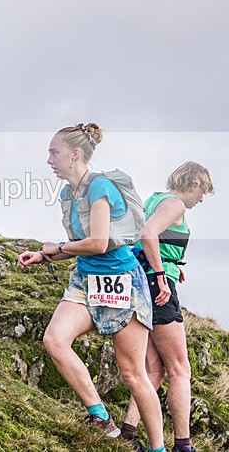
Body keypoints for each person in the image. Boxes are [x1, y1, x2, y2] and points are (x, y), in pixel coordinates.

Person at [17, 123, 164, 452]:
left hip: (122, 282)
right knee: (55, 340)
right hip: (86, 280)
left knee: (132, 373)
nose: (49, 159)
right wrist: (45, 255)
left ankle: (158, 449)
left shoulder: (99, 188)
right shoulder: (68, 193)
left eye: (54, 152)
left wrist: (57, 249)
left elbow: (98, 242)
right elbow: (80, 244)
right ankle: (101, 418)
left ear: (75, 154)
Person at [120, 161, 214, 452]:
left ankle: (128, 432)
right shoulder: (175, 205)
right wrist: (162, 276)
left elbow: (148, 240)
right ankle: (182, 445)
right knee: (179, 368)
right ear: (192, 182)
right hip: (156, 286)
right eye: (202, 191)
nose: (201, 198)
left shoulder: (154, 199)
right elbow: (149, 234)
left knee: (154, 368)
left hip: (141, 280)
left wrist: (171, 264)